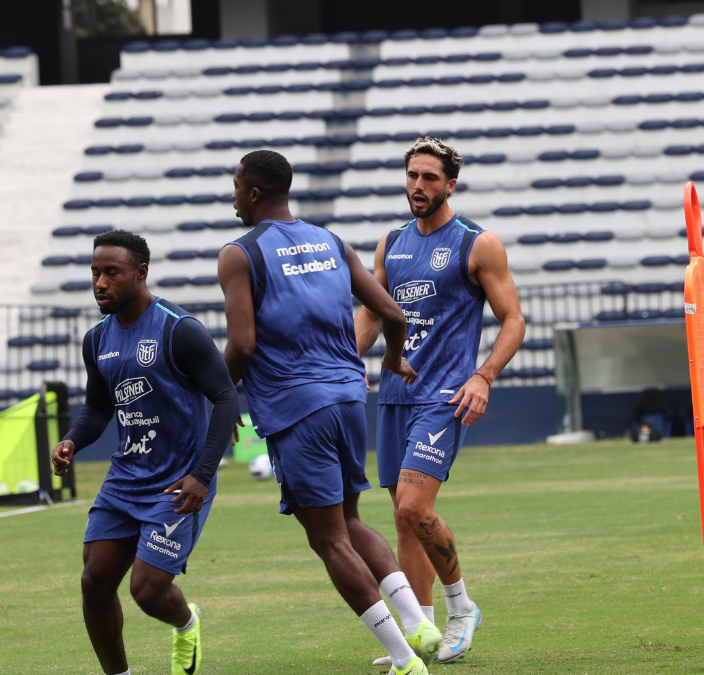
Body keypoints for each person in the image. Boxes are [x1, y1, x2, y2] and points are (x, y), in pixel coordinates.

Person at [217, 149, 439, 675]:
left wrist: (215, 398)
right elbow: (389, 310)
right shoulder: (331, 242)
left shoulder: (239, 254)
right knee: (350, 520)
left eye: (234, 186)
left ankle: (407, 660)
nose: (232, 196)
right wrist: (389, 357)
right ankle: (420, 624)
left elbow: (242, 346)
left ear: (251, 192)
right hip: (346, 397)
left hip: (297, 408)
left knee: (328, 538)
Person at [354, 137, 526, 665]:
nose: (418, 186)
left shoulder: (478, 244)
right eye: (412, 175)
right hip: (395, 396)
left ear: (450, 184)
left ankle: (461, 607)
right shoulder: (391, 243)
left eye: (430, 177)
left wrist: (484, 377)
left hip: (445, 397)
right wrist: (343, 362)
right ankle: (422, 631)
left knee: (413, 506)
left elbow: (514, 321)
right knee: (403, 519)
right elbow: (373, 316)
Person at [52, 229, 239, 675]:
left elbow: (227, 398)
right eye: (95, 272)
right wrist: (73, 439)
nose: (100, 282)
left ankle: (187, 623)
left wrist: (202, 475)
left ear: (141, 273)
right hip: (125, 480)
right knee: (95, 582)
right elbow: (99, 409)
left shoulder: (179, 329)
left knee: (148, 591)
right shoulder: (96, 339)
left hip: (179, 481)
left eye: (111, 273)